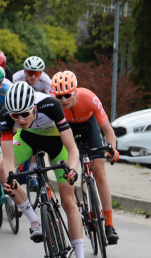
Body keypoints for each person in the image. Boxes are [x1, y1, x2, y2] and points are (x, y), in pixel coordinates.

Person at [0, 82, 93, 258]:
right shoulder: (7, 113)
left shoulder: (50, 105)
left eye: (24, 114)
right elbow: (7, 159)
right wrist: (10, 177)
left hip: (56, 143)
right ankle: (34, 220)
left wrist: (73, 169)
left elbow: (72, 148)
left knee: (68, 201)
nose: (20, 120)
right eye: (15, 116)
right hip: (28, 140)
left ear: (34, 108)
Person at [51, 70, 121, 244]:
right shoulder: (54, 105)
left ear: (75, 91)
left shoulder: (89, 97)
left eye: (67, 95)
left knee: (100, 173)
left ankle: (109, 225)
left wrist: (112, 149)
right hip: (67, 129)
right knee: (68, 172)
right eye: (59, 97)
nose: (63, 100)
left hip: (89, 128)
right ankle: (76, 206)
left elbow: (108, 130)